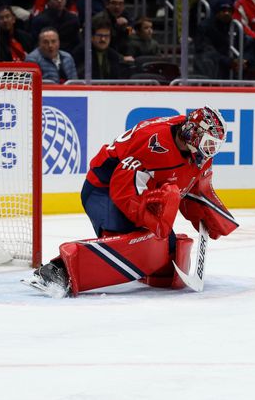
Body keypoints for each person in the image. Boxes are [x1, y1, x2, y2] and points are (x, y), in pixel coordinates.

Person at [23, 106, 238, 297]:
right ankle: (58, 270)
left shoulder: (195, 148)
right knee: (136, 242)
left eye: (214, 146)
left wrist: (210, 215)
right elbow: (122, 189)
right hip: (103, 189)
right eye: (208, 144)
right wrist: (154, 223)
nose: (210, 151)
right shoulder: (153, 142)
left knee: (166, 246)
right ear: (193, 133)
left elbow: (195, 188)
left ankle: (148, 264)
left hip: (140, 192)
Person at [72, 15, 130, 79]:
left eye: (106, 36)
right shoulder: (81, 53)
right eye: (100, 35)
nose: (103, 39)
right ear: (91, 37)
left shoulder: (113, 55)